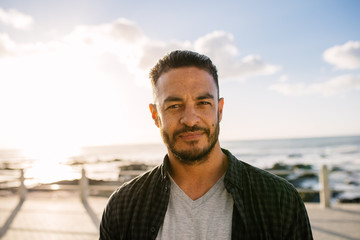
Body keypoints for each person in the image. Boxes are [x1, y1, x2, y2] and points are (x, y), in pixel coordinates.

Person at [99, 50, 313, 240]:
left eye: (203, 103)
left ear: (219, 110)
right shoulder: (123, 208)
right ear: (156, 115)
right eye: (174, 106)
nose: (190, 119)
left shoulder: (279, 201)